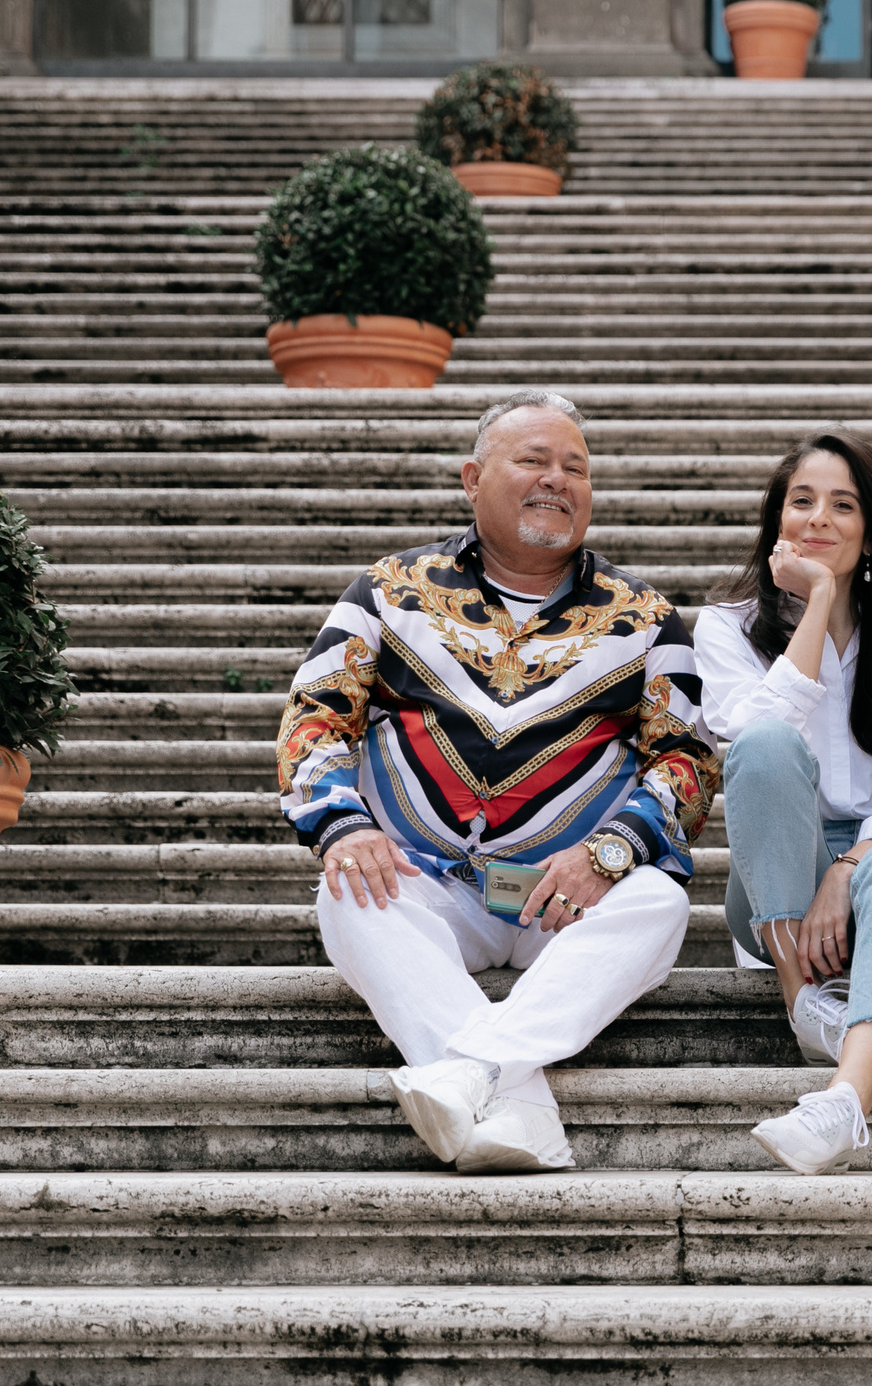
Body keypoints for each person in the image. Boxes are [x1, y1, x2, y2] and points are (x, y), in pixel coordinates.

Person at [279, 389, 718, 1174]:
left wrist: (610, 853)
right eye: (534, 460)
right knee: (346, 887)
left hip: (565, 892)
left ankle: (468, 1074)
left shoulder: (645, 618)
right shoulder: (388, 591)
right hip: (429, 881)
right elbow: (313, 715)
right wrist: (345, 824)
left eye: (575, 468)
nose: (558, 479)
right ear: (472, 478)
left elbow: (686, 759)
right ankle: (519, 1105)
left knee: (658, 899)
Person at [692, 432, 872, 1175]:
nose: (820, 517)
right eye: (803, 501)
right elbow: (753, 740)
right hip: (776, 886)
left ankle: (846, 1099)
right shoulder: (725, 629)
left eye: (844, 504)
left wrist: (853, 862)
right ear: (777, 522)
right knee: (763, 745)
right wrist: (818, 600)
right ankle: (804, 1002)